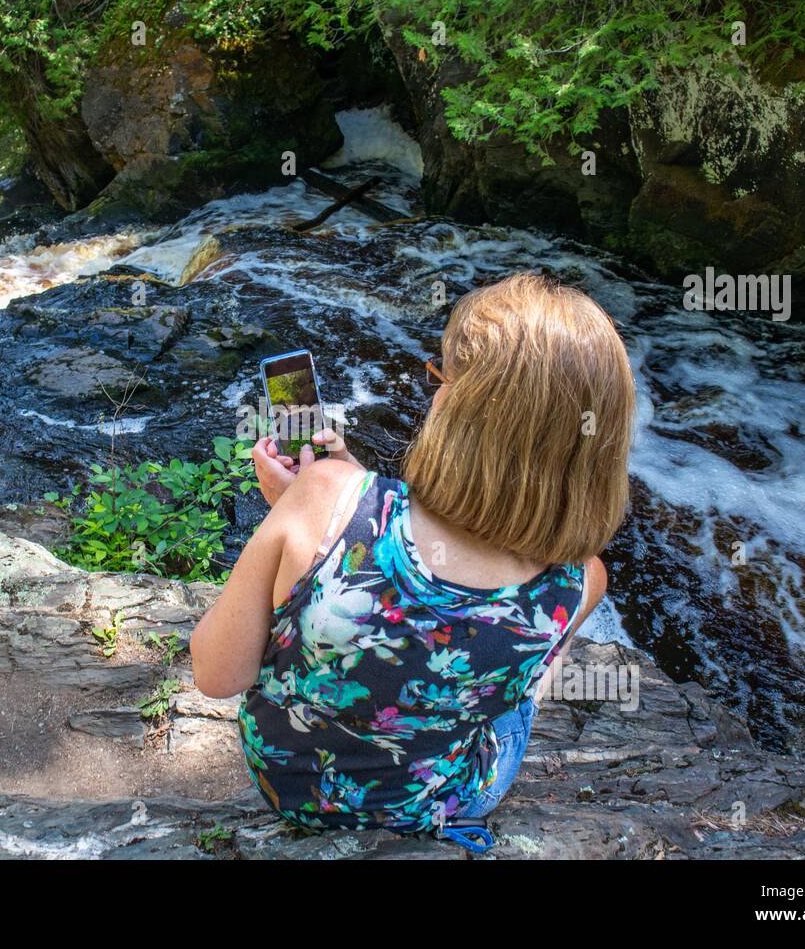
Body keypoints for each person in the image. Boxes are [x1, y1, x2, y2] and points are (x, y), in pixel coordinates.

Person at [190, 271, 637, 853]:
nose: (433, 388)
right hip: (436, 804)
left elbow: (216, 674)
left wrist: (317, 500)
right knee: (522, 684)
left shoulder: (325, 497)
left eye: (439, 376)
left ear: (458, 404)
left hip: (289, 790)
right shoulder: (581, 582)